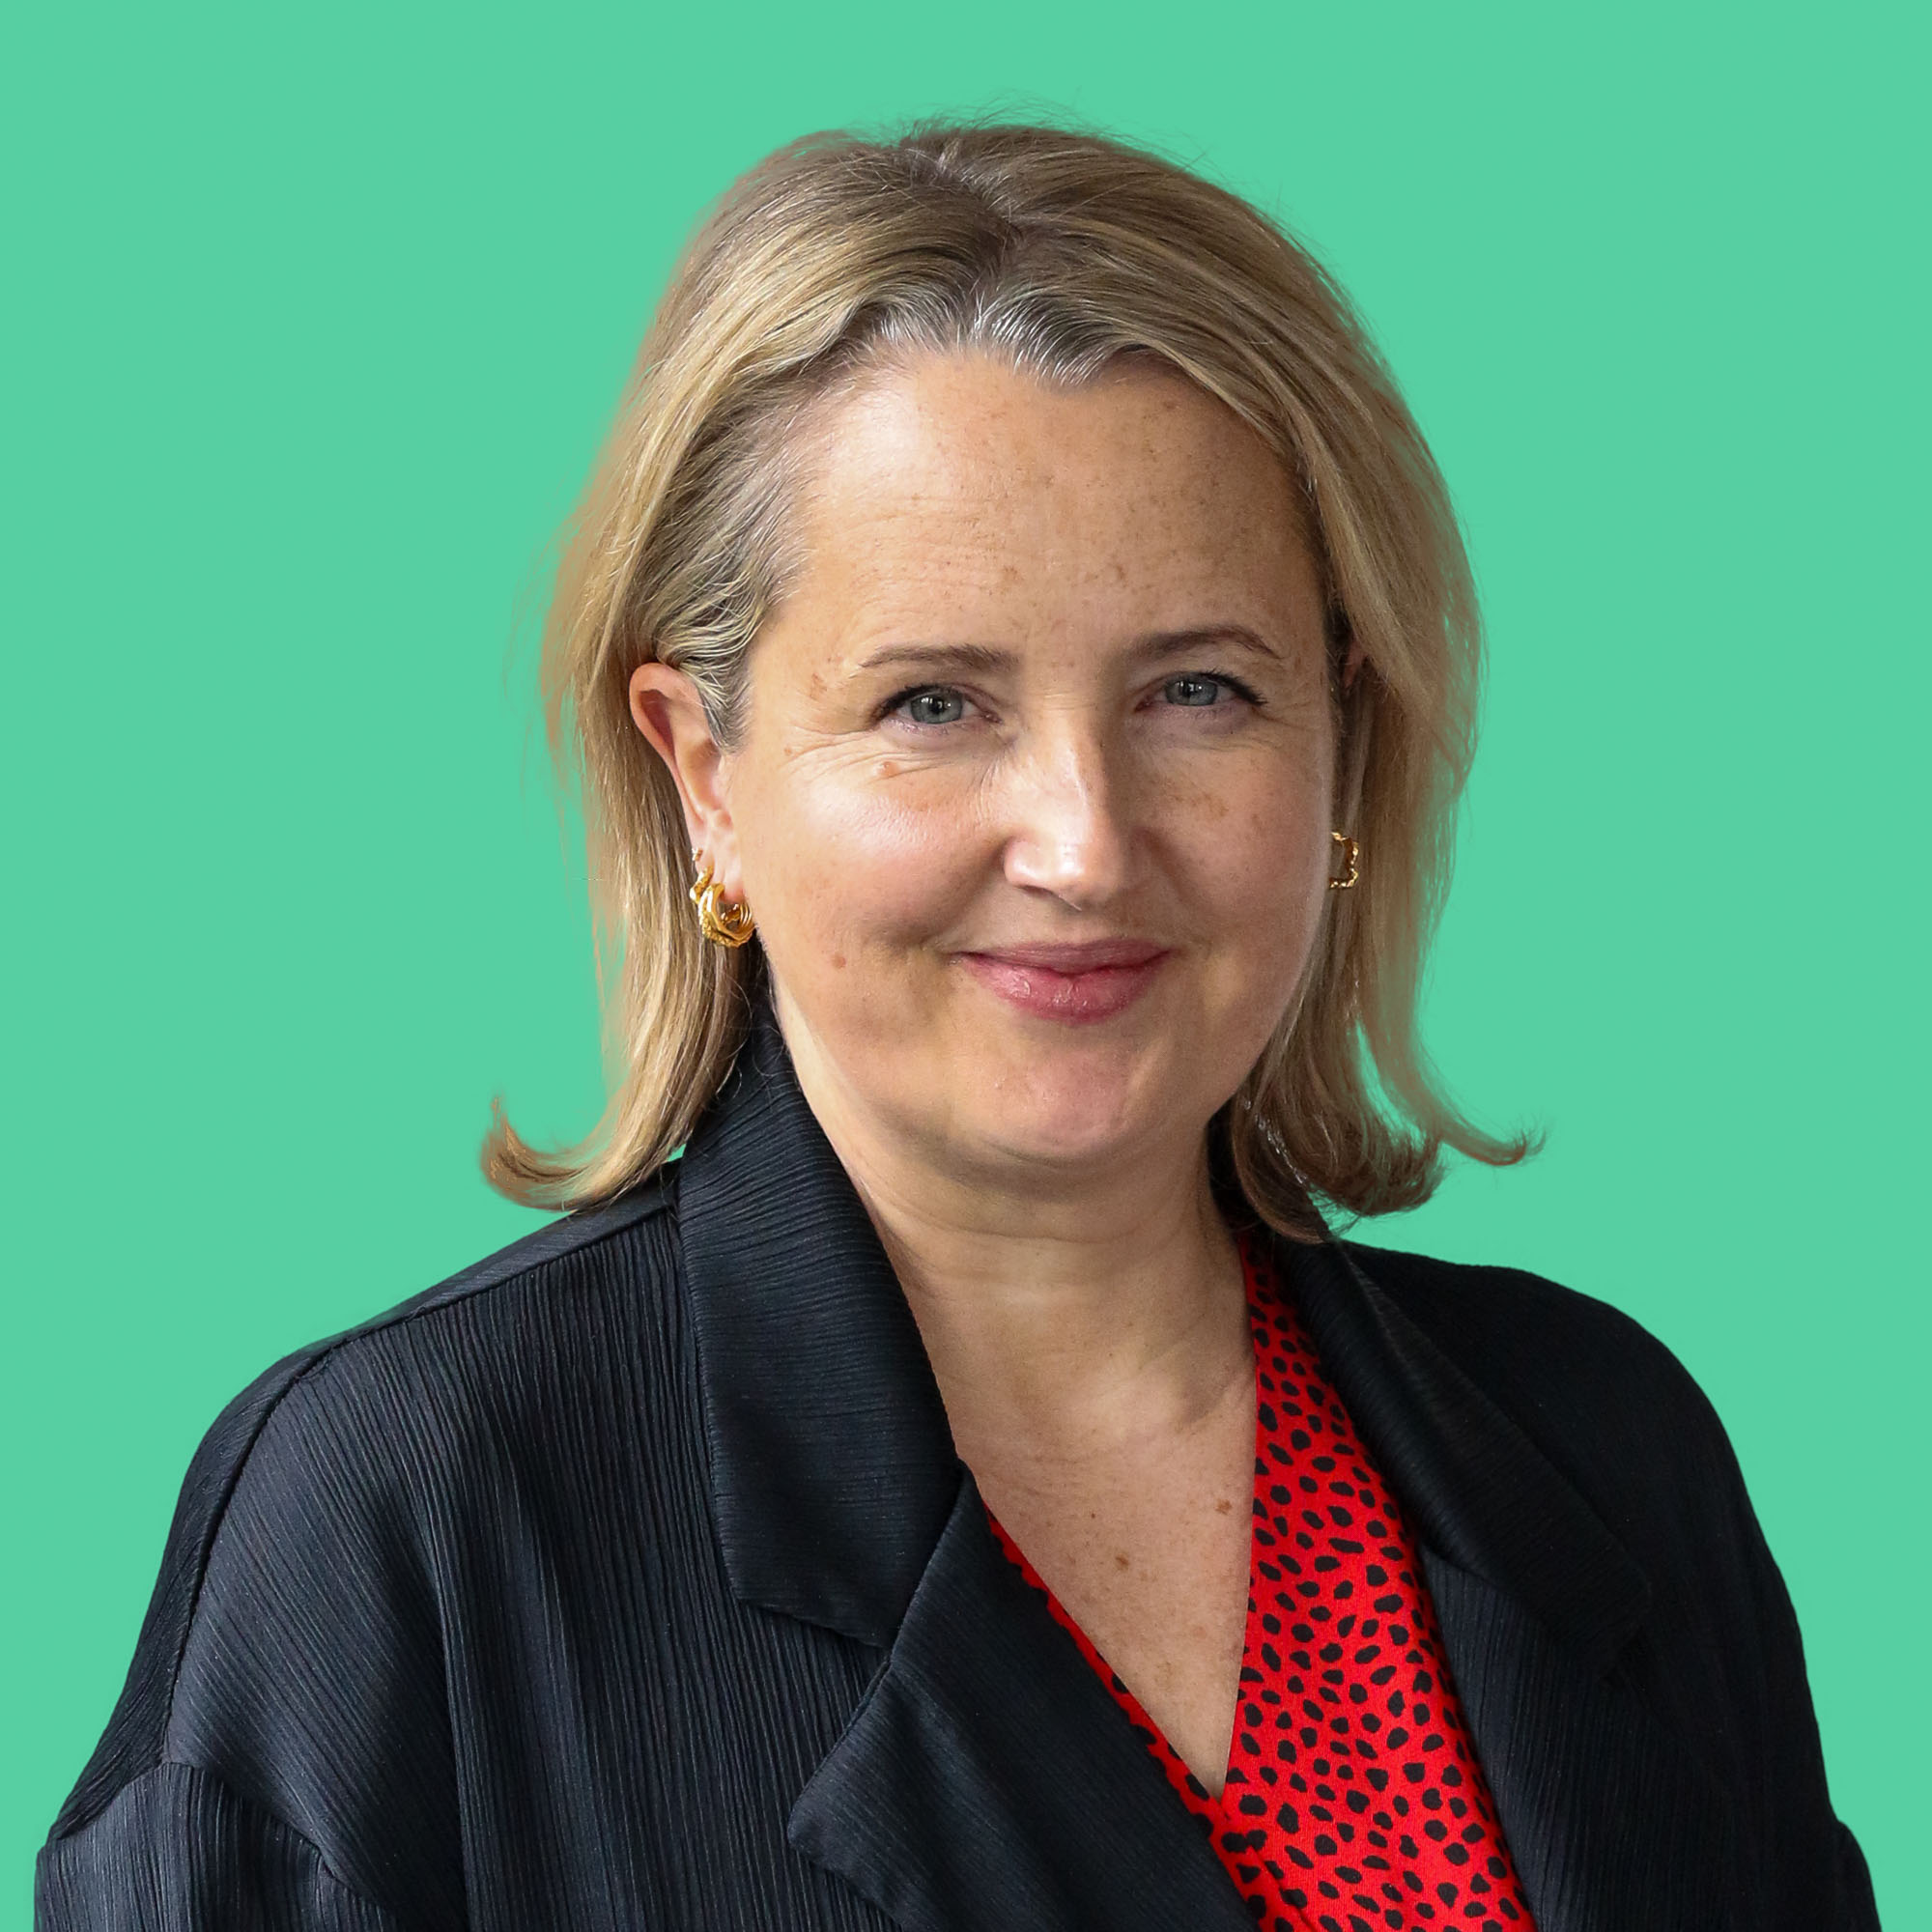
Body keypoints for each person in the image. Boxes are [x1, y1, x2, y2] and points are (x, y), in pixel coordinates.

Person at [37, 124, 1878, 1932]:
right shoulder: (402, 1519)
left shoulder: (1604, 1451)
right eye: (934, 702)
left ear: (1342, 739)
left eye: (1198, 690)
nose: (1085, 843)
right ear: (706, 775)